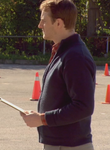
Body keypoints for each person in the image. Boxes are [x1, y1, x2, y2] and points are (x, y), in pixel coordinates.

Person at [20, 0, 96, 150]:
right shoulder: (64, 51)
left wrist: (42, 119)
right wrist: (39, 117)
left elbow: (83, 106)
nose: (40, 25)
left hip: (69, 145)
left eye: (44, 21)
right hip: (60, 144)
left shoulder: (75, 56)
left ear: (58, 23)